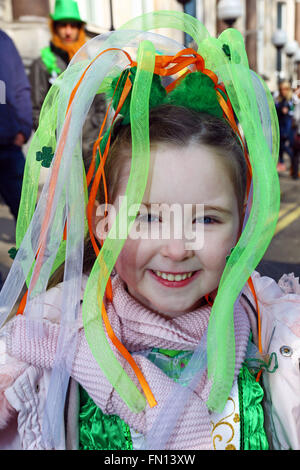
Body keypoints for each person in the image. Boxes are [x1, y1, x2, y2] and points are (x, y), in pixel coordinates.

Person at [0, 11, 299, 451]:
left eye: (207, 218)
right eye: (146, 217)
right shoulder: (45, 339)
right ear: (103, 222)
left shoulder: (274, 332)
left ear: (243, 223)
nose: (176, 248)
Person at [29, 0, 107, 167]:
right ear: (54, 27)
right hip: (61, 151)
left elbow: (101, 102)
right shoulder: (42, 64)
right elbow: (37, 109)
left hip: (90, 147)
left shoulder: (89, 62)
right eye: (63, 25)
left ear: (80, 29)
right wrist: (51, 140)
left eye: (73, 26)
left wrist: (95, 132)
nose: (68, 31)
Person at [0, 30, 32, 221]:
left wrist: (23, 128)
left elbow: (20, 86)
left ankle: (37, 252)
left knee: (28, 216)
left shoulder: (4, 41)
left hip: (9, 143)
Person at [275, 80, 295, 175]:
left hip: (286, 129)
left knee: (286, 148)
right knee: (281, 148)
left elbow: (289, 115)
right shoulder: (280, 99)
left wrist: (286, 132)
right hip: (280, 127)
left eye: (285, 89)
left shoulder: (289, 101)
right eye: (281, 89)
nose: (283, 91)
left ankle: (294, 163)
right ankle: (282, 163)